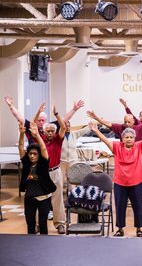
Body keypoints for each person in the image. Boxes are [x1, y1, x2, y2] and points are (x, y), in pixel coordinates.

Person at [89, 119, 142, 237]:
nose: (128, 139)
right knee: (120, 206)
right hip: (120, 183)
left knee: (137, 206)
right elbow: (106, 140)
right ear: (122, 139)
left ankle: (139, 228)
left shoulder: (139, 146)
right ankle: (120, 228)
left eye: (131, 137)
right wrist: (96, 131)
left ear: (134, 138)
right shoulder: (117, 147)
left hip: (136, 182)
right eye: (126, 137)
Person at [33, 102, 67, 234]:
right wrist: (38, 112)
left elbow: (63, 127)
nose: (51, 133)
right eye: (49, 131)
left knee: (57, 199)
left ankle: (60, 224)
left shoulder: (58, 140)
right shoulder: (40, 139)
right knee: (39, 198)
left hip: (55, 172)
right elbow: (33, 126)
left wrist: (56, 114)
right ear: (44, 131)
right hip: (42, 173)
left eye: (53, 131)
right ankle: (37, 224)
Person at [18, 121, 56, 235]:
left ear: (39, 155)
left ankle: (43, 245)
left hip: (44, 197)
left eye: (35, 154)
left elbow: (43, 148)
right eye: (30, 154)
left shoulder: (43, 163)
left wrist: (37, 135)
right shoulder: (26, 163)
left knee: (43, 223)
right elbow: (20, 146)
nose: (32, 156)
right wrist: (21, 134)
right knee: (30, 223)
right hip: (30, 197)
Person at [4, 96, 84, 144]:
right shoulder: (30, 126)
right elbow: (19, 117)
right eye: (39, 120)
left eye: (43, 120)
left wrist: (74, 109)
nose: (41, 122)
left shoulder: (49, 127)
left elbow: (64, 119)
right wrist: (11, 106)